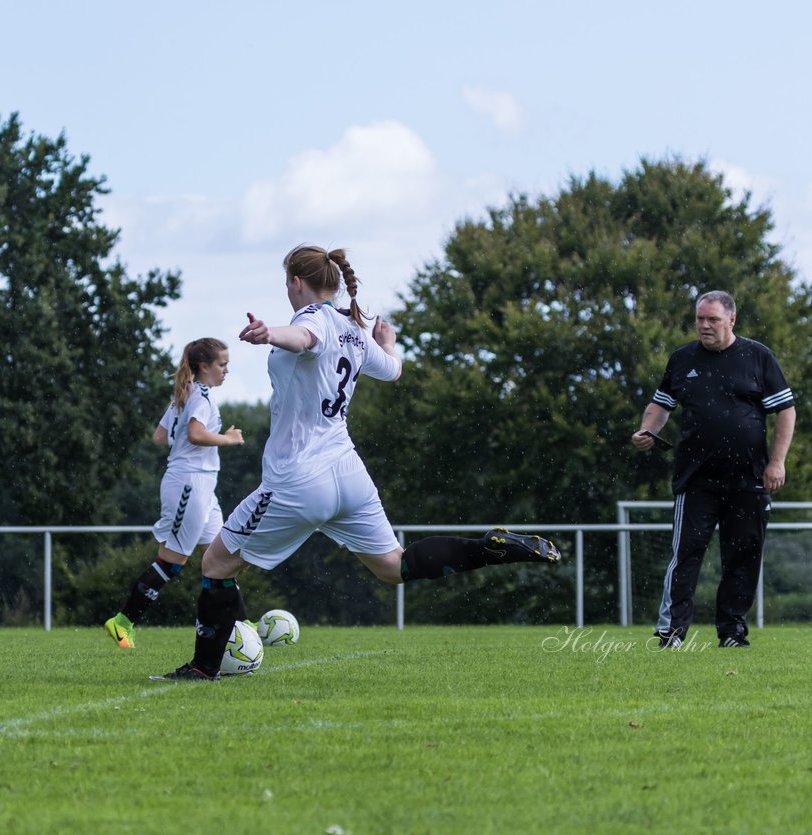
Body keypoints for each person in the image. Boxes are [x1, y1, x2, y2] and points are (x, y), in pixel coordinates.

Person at [153, 244, 561, 681]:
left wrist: (269, 333)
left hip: (298, 480)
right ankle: (488, 547)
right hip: (348, 474)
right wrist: (390, 343)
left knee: (216, 564)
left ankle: (203, 667)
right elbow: (393, 370)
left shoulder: (313, 319)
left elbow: (304, 338)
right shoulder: (352, 330)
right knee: (395, 567)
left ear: (296, 282)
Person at [631, 290, 796, 649]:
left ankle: (732, 632)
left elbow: (786, 410)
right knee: (686, 553)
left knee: (743, 556)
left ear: (731, 320)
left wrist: (777, 461)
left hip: (749, 479)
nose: (704, 326)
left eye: (713, 320)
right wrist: (648, 430)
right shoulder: (682, 359)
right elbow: (661, 405)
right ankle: (671, 633)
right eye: (700, 319)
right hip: (696, 479)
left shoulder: (758, 356)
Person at [104, 338, 245, 649]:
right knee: (172, 561)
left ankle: (241, 625)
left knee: (223, 558)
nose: (226, 370)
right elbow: (194, 434)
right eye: (222, 364)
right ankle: (123, 622)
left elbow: (160, 436)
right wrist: (228, 439)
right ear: (204, 367)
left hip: (202, 484)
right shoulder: (201, 397)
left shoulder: (185, 395)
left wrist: (184, 447)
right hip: (189, 485)